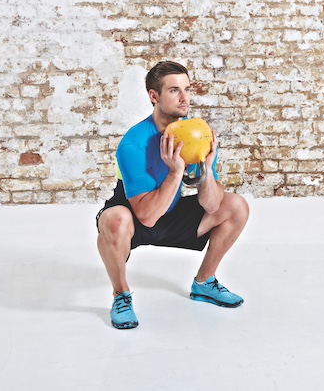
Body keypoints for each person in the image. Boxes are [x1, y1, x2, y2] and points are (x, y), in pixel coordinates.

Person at [95, 61, 250, 329]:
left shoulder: (196, 135)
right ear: (154, 97)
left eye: (187, 89)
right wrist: (176, 172)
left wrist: (205, 168)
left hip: (171, 209)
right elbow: (146, 216)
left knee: (236, 206)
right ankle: (120, 295)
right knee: (113, 220)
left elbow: (212, 205)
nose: (184, 98)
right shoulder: (134, 143)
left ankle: (204, 283)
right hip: (136, 215)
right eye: (174, 90)